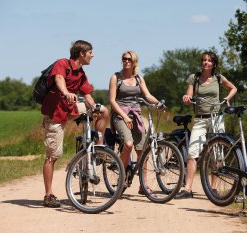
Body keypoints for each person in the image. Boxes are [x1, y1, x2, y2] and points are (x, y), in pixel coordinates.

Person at [41, 40, 109, 207]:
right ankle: (48, 195)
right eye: (90, 52)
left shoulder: (81, 73)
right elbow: (59, 79)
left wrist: (94, 107)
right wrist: (66, 92)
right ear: (81, 53)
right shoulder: (62, 64)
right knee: (53, 156)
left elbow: (87, 95)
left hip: (71, 108)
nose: (92, 55)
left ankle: (98, 146)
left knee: (104, 111)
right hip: (56, 113)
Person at [176, 51, 237, 199]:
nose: (206, 62)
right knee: (192, 152)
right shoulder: (194, 78)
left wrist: (226, 99)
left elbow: (233, 88)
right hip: (200, 119)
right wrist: (187, 98)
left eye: (209, 61)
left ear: (214, 64)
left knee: (217, 155)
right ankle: (187, 189)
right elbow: (189, 94)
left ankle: (213, 188)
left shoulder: (218, 77)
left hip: (216, 118)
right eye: (204, 60)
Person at [108, 50, 160, 194]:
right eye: (124, 58)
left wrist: (159, 103)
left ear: (134, 62)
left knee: (142, 150)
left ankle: (143, 185)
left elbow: (147, 95)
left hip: (136, 115)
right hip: (120, 115)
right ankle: (121, 178)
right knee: (129, 144)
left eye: (129, 59)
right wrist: (124, 116)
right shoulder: (116, 78)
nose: (126, 61)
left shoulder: (138, 79)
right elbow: (112, 100)